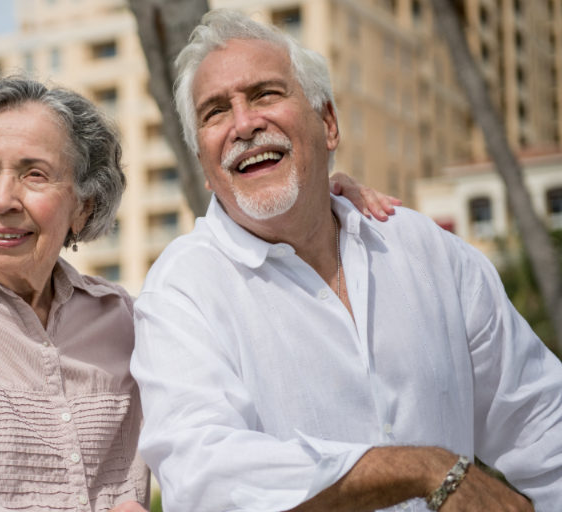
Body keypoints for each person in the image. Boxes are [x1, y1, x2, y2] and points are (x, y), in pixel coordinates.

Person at [0, 75, 393, 511]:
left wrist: (320, 204)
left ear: (83, 206)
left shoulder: (127, 318)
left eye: (34, 175)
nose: (2, 199)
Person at [130, 9, 562, 512]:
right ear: (204, 166)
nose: (244, 124)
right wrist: (421, 470)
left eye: (266, 94)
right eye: (215, 112)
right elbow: (210, 479)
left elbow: (541, 423)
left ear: (328, 123)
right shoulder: (182, 291)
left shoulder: (425, 249)